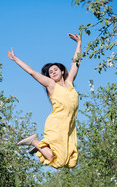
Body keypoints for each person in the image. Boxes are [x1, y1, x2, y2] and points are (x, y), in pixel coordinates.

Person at [7, 33, 81, 169]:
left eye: (55, 70)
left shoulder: (69, 82)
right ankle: (36, 142)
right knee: (58, 162)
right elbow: (32, 72)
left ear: (62, 71)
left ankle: (42, 147)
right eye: (50, 72)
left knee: (71, 162)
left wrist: (78, 43)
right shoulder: (51, 85)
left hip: (69, 126)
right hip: (57, 124)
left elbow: (76, 62)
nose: (52, 72)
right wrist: (15, 59)